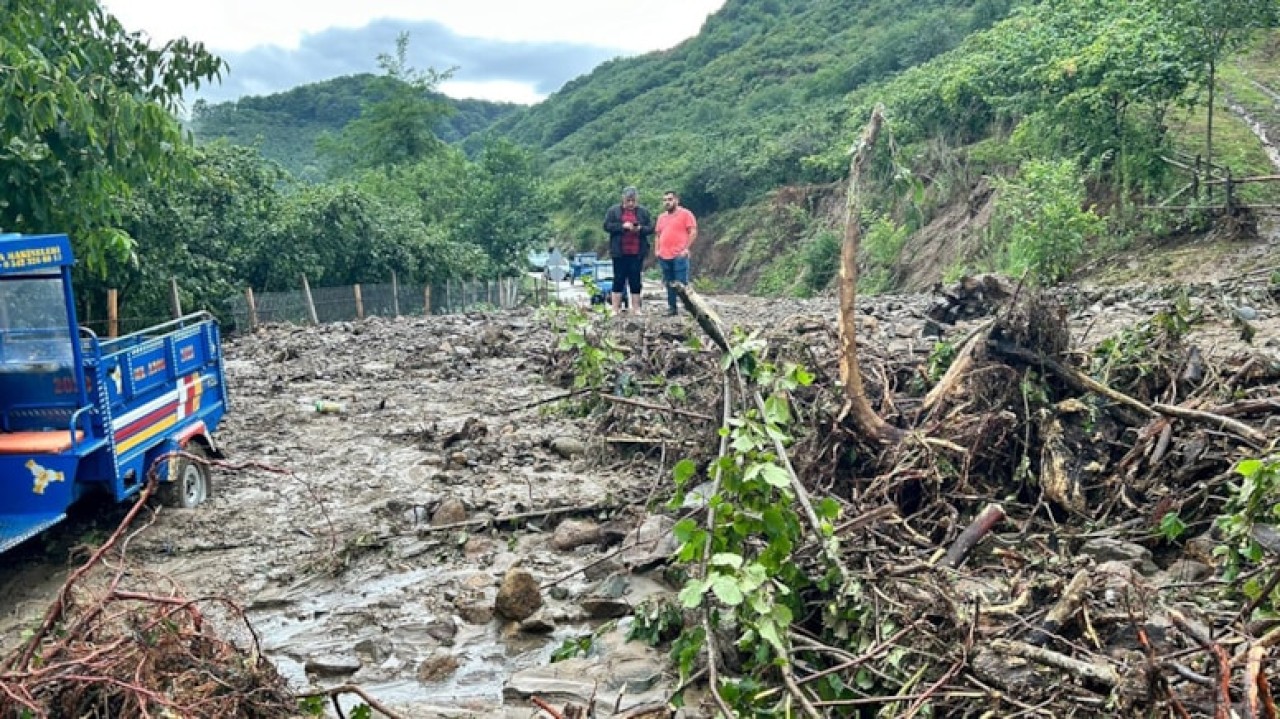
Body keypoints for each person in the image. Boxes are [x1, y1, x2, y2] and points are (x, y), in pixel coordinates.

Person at [602, 186, 652, 313]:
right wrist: (622, 226)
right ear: (623, 199)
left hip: (637, 252)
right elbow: (607, 226)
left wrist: (640, 228)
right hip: (619, 252)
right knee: (618, 279)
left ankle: (636, 309)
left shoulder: (643, 212)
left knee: (636, 280)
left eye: (633, 201)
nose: (630, 203)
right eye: (628, 200)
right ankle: (615, 309)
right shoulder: (613, 211)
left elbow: (651, 228)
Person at [654, 190, 697, 317]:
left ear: (677, 200)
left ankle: (690, 308)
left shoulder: (685, 214)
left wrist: (686, 249)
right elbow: (657, 235)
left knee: (682, 283)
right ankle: (672, 308)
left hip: (679, 255)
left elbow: (693, 232)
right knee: (669, 283)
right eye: (665, 200)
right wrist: (657, 250)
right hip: (664, 255)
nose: (667, 202)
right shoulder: (661, 217)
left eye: (670, 199)